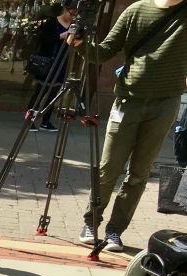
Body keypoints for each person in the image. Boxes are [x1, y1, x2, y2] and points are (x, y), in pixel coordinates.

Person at [69, 0, 187, 251]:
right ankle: (91, 223)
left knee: (138, 174)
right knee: (108, 167)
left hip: (165, 104)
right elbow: (105, 51)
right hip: (128, 100)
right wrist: (80, 44)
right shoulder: (136, 10)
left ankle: (114, 231)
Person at [26, 0, 75, 131]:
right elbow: (46, 39)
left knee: (54, 93)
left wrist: (75, 37)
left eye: (75, 15)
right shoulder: (52, 22)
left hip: (61, 62)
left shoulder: (73, 25)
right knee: (39, 92)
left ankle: (45, 121)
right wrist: (63, 35)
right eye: (71, 13)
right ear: (65, 10)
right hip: (47, 61)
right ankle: (30, 120)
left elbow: (71, 44)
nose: (72, 17)